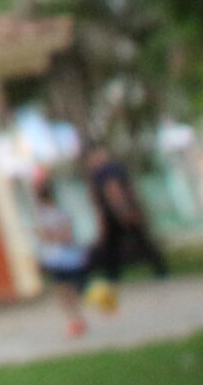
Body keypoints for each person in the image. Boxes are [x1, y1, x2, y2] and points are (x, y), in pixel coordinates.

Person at [84, 141, 170, 303]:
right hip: (123, 210)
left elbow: (114, 191)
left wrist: (122, 211)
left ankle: (156, 270)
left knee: (129, 241)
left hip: (117, 213)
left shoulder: (105, 171)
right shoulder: (115, 169)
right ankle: (116, 274)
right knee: (121, 242)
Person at [31, 172, 91, 338]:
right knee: (64, 290)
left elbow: (57, 236)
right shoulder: (52, 214)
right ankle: (75, 320)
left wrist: (51, 236)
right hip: (58, 258)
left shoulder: (51, 214)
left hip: (64, 258)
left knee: (69, 291)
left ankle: (76, 318)